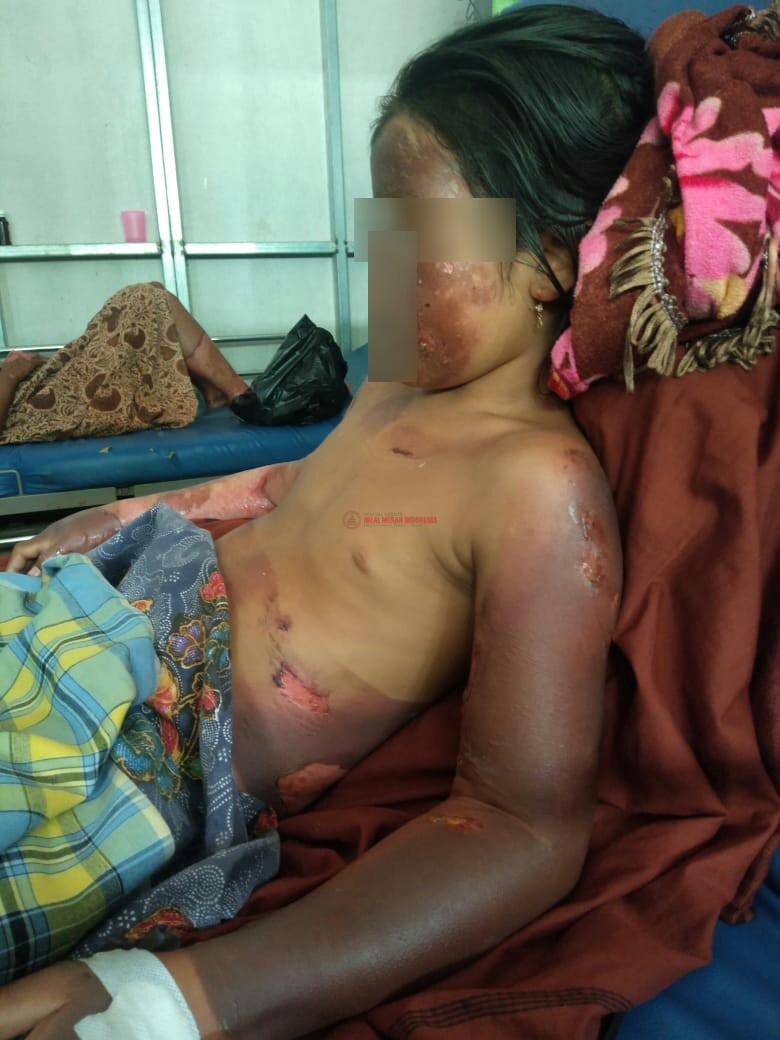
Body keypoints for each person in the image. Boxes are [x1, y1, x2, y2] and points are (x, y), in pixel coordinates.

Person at [0, 4, 653, 1037]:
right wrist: (127, 509)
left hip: (137, 740)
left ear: (551, 260)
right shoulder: (394, 380)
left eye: (418, 236)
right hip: (87, 614)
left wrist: (182, 999)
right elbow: (291, 483)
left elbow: (522, 824)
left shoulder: (535, 487)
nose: (378, 266)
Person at [0, 282, 250, 444]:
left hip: (38, 389)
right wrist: (10, 375)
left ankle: (217, 391)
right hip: (36, 411)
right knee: (146, 299)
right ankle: (237, 393)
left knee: (151, 293)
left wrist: (40, 368)